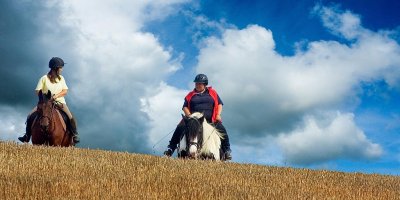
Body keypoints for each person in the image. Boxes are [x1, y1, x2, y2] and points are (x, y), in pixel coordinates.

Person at [164, 74, 232, 160]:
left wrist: (218, 114)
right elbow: (184, 107)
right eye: (196, 83)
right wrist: (189, 116)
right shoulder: (190, 95)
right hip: (194, 120)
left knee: (222, 130)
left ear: (205, 84)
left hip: (210, 119)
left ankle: (227, 150)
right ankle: (170, 148)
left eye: (200, 83)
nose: (197, 85)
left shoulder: (213, 93)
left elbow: (219, 104)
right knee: (179, 127)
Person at [18, 57, 80, 144]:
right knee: (29, 115)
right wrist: (45, 97)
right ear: (55, 68)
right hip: (45, 103)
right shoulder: (44, 78)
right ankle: (27, 136)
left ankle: (74, 136)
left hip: (60, 102)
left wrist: (55, 97)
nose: (62, 70)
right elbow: (37, 91)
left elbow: (65, 91)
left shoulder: (61, 78)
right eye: (61, 68)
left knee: (71, 117)